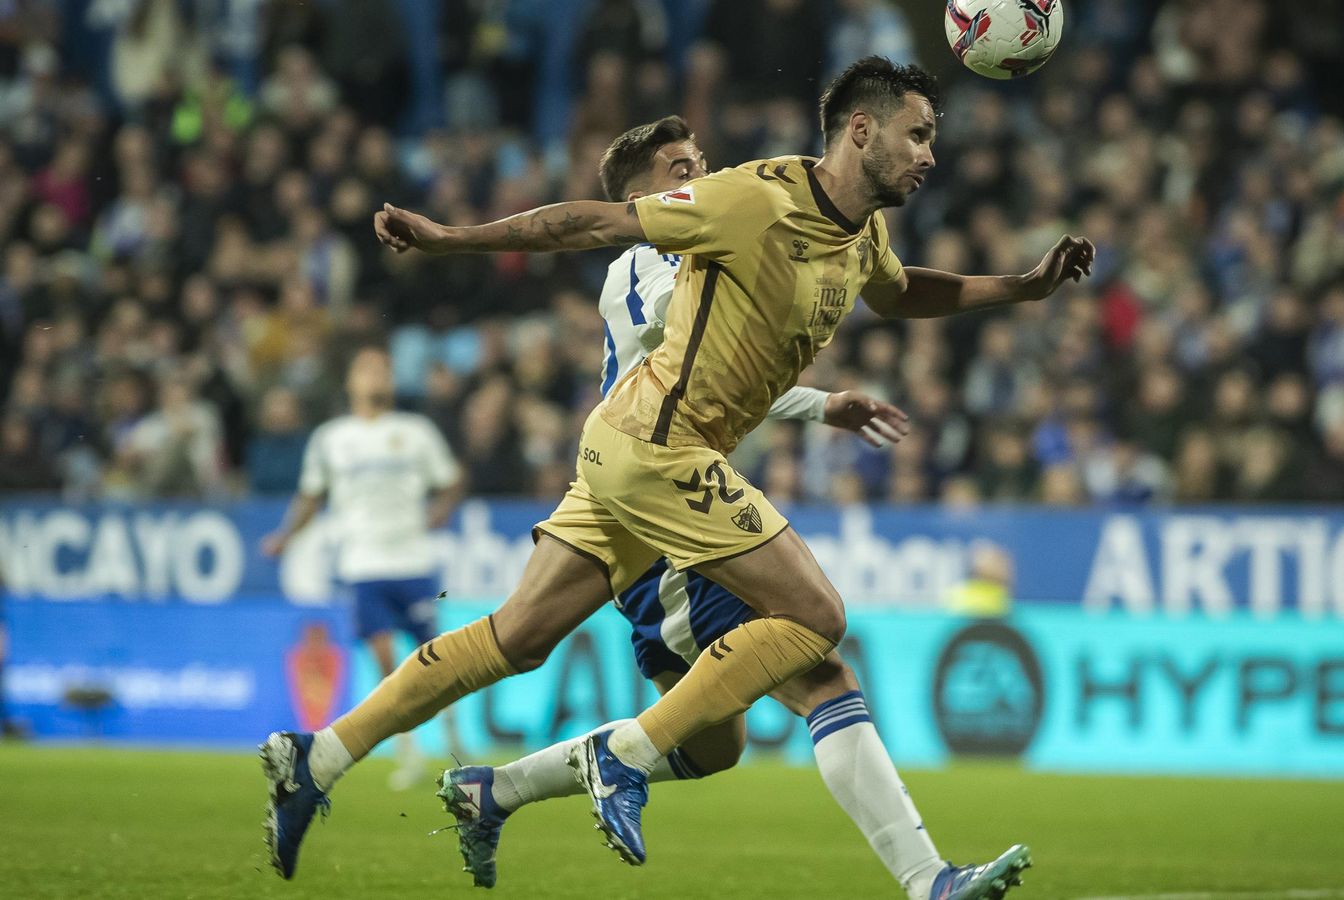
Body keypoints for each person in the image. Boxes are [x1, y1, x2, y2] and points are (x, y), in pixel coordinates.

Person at [264, 57, 1089, 896]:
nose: (930, 155)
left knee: (536, 650)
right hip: (664, 455)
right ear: (862, 130)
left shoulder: (858, 230)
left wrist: (1020, 287)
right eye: (918, 134)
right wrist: (452, 239)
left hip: (624, 455)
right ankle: (640, 765)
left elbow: (902, 290)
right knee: (818, 627)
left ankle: (324, 756)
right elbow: (582, 228)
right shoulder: (741, 204)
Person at [431, 116, 975, 900]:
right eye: (681, 168)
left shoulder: (698, 253)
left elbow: (739, 357)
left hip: (681, 502)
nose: (702, 175)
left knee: (719, 746)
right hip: (664, 519)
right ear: (642, 197)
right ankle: (929, 882)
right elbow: (691, 353)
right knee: (820, 670)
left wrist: (820, 399)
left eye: (702, 163)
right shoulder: (646, 262)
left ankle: (496, 791)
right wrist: (818, 399)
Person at [261, 347, 467, 789]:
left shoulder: (415, 432)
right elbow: (311, 496)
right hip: (364, 565)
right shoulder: (332, 438)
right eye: (366, 369)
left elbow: (451, 480)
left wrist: (440, 511)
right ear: (351, 382)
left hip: (413, 561)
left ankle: (456, 745)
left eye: (383, 369)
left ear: (391, 381)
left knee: (437, 659)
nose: (376, 376)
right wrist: (284, 536)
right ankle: (409, 752)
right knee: (387, 665)